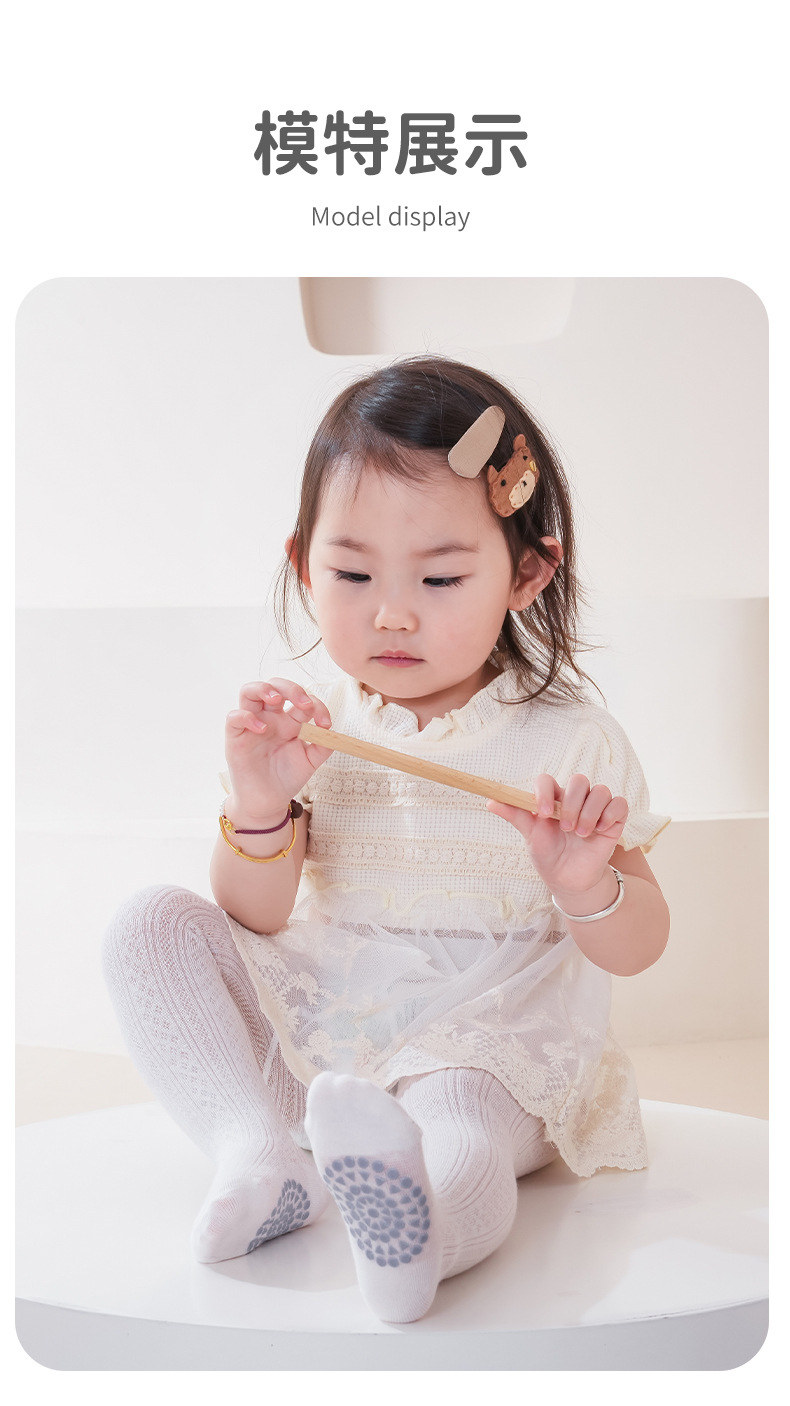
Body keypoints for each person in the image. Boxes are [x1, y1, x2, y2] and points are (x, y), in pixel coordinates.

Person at [103, 357, 670, 1324]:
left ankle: (425, 1237)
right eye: (352, 574)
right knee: (149, 925)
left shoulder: (571, 740)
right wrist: (263, 802)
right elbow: (257, 917)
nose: (392, 612)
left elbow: (640, 946)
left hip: (490, 1042)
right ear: (302, 565)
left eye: (441, 577)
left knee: (460, 1118)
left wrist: (585, 884)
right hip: (333, 1031)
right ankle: (259, 1153)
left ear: (527, 573)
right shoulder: (317, 727)